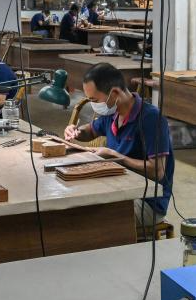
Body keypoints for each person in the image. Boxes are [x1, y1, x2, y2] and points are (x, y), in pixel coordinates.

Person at [63, 63, 174, 229]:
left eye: (95, 100)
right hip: (118, 189)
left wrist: (115, 156)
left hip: (146, 202)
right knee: (72, 206)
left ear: (114, 93)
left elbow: (157, 171)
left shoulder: (151, 118)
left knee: (87, 221)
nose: (93, 105)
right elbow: (91, 131)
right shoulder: (112, 113)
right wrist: (76, 131)